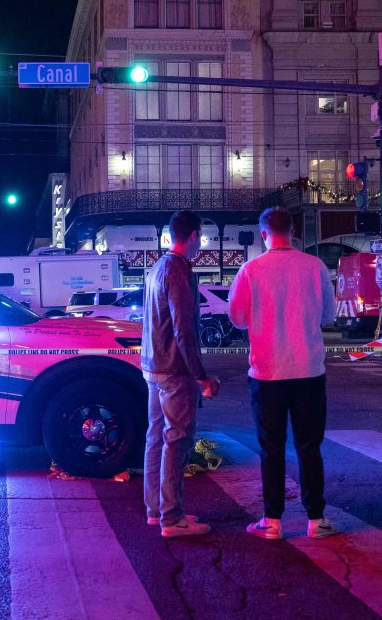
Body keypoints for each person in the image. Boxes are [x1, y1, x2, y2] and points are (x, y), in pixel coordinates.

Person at [229, 207, 339, 540]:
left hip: (266, 371)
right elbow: (329, 315)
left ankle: (272, 521)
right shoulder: (314, 266)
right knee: (309, 446)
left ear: (263, 234)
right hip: (308, 369)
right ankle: (316, 519)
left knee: (271, 447)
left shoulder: (251, 270)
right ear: (293, 231)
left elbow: (236, 317)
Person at [141, 210, 220, 538]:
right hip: (174, 369)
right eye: (199, 236)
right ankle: (172, 518)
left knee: (156, 437)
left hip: (153, 367)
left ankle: (156, 509)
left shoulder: (157, 267)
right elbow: (184, 329)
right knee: (176, 440)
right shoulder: (178, 270)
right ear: (194, 235)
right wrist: (201, 376)